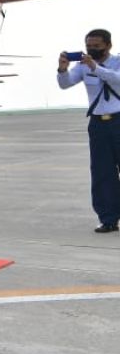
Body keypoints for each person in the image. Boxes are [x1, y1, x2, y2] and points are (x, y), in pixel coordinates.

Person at [57, 29, 120, 233]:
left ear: (108, 46)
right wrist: (63, 69)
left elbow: (116, 79)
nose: (91, 50)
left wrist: (96, 68)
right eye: (88, 46)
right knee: (102, 172)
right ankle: (108, 218)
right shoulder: (82, 66)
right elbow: (65, 84)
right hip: (98, 124)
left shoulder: (117, 62)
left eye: (96, 46)